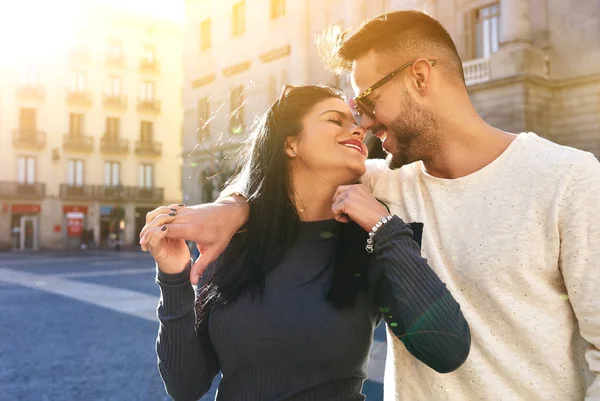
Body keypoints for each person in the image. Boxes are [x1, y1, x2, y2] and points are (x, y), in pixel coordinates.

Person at [143, 10, 600, 401]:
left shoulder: (570, 179)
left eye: (366, 100)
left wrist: (383, 228)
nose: (362, 122)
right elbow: (278, 177)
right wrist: (234, 210)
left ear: (419, 77)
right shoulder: (378, 182)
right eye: (346, 112)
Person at [140, 85, 471, 401]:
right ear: (290, 144)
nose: (358, 130)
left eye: (355, 123)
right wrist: (173, 277)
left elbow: (448, 349)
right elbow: (185, 385)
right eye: (334, 119)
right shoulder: (233, 239)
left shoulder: (369, 246)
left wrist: (384, 227)